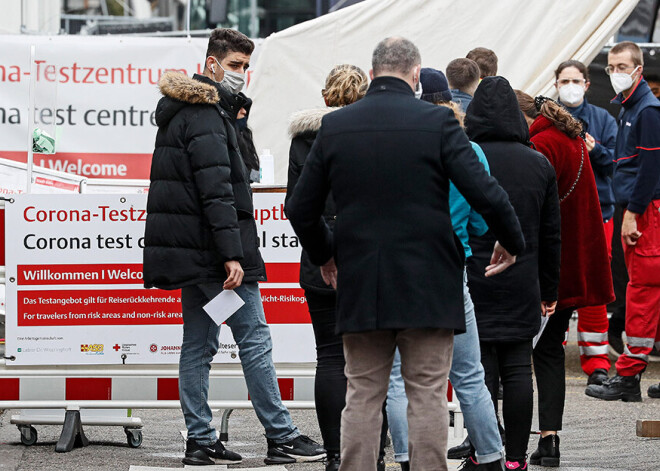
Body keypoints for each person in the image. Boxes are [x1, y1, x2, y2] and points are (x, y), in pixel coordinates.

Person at [286, 36, 525, 471]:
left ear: (372, 73)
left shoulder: (336, 128)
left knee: (362, 392)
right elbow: (485, 191)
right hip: (430, 283)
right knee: (428, 393)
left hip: (360, 280)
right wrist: (512, 240)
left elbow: (299, 207)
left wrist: (325, 254)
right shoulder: (439, 125)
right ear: (416, 76)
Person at [143, 28, 325, 466]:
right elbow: (217, 191)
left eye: (246, 66)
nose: (242, 74)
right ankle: (281, 436)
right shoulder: (204, 115)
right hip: (215, 255)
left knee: (199, 344)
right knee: (255, 338)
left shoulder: (191, 112)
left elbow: (236, 171)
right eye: (236, 66)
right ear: (211, 64)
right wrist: (231, 254)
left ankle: (201, 440)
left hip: (194, 253)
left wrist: (239, 119)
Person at [385, 68, 507, 471]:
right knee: (470, 374)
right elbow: (482, 218)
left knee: (400, 376)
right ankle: (490, 456)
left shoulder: (405, 146)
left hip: (403, 264)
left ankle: (405, 457)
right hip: (451, 265)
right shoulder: (472, 151)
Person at [286, 64, 389, 471]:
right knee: (374, 363)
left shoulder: (304, 139)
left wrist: (321, 250)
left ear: (326, 96)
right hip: (368, 257)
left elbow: (297, 204)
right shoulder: (375, 134)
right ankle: (372, 456)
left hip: (319, 260)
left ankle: (334, 456)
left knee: (328, 358)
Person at [466, 77, 561, 470]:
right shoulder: (538, 162)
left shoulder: (464, 156)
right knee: (520, 368)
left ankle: (483, 452)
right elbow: (552, 233)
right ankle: (518, 459)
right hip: (524, 277)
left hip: (475, 274)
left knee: (480, 370)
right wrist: (549, 289)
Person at [516, 91, 614, 467]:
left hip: (547, 265)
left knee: (519, 355)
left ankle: (509, 440)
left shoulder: (540, 144)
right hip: (571, 262)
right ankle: (550, 438)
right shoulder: (569, 137)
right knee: (550, 352)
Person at [585, 41, 660, 402]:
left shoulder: (647, 111)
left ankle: (628, 377)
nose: (614, 72)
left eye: (620, 66)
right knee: (647, 290)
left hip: (645, 213)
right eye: (611, 66)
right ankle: (631, 372)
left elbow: (649, 169)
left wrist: (632, 213)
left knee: (642, 291)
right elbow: (626, 162)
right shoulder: (630, 108)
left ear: (638, 69)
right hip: (641, 209)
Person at [555, 59, 618, 386]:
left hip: (598, 214)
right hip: (558, 215)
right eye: (564, 80)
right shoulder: (546, 120)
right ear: (555, 83)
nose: (570, 85)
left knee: (594, 286)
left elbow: (616, 167)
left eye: (575, 80)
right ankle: (552, 348)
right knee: (556, 281)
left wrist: (596, 151)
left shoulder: (602, 120)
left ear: (587, 84)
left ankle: (596, 361)